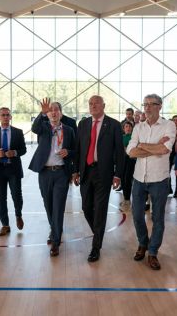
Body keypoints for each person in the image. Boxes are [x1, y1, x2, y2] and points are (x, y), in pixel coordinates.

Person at [72, 95, 124, 262]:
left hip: (104, 173)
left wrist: (118, 174)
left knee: (100, 209)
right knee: (86, 207)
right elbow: (78, 148)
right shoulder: (83, 124)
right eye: (90, 103)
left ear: (104, 105)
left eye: (96, 103)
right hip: (86, 171)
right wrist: (75, 170)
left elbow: (119, 152)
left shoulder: (114, 125)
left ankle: (96, 247)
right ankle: (98, 231)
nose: (93, 106)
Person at [126, 94, 176, 270]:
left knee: (157, 218)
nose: (147, 108)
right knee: (137, 214)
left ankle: (153, 251)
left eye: (151, 104)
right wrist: (154, 146)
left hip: (159, 179)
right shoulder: (138, 127)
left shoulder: (169, 125)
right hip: (139, 178)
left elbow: (165, 149)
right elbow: (131, 152)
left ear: (159, 106)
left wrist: (143, 145)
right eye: (145, 104)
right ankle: (143, 243)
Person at [29, 98, 75, 257]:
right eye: (51, 110)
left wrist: (68, 152)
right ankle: (55, 230)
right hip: (45, 172)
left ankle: (56, 241)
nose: (54, 112)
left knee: (58, 206)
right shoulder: (43, 127)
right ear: (48, 114)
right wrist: (42, 113)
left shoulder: (69, 130)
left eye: (57, 109)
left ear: (61, 113)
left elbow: (76, 149)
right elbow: (33, 128)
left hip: (61, 173)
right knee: (48, 204)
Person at [0, 107, 26, 237]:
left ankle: (18, 215)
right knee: (1, 199)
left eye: (7, 115)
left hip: (13, 169)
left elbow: (23, 149)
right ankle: (5, 225)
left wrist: (15, 152)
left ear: (10, 117)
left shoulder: (18, 132)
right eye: (3, 115)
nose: (5, 117)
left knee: (16, 195)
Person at [121, 121, 136, 206]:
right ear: (124, 128)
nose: (128, 128)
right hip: (122, 160)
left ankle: (127, 199)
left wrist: (125, 149)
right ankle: (125, 198)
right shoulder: (121, 137)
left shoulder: (133, 138)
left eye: (130, 126)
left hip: (131, 160)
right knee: (122, 179)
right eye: (126, 126)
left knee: (127, 179)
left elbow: (131, 150)